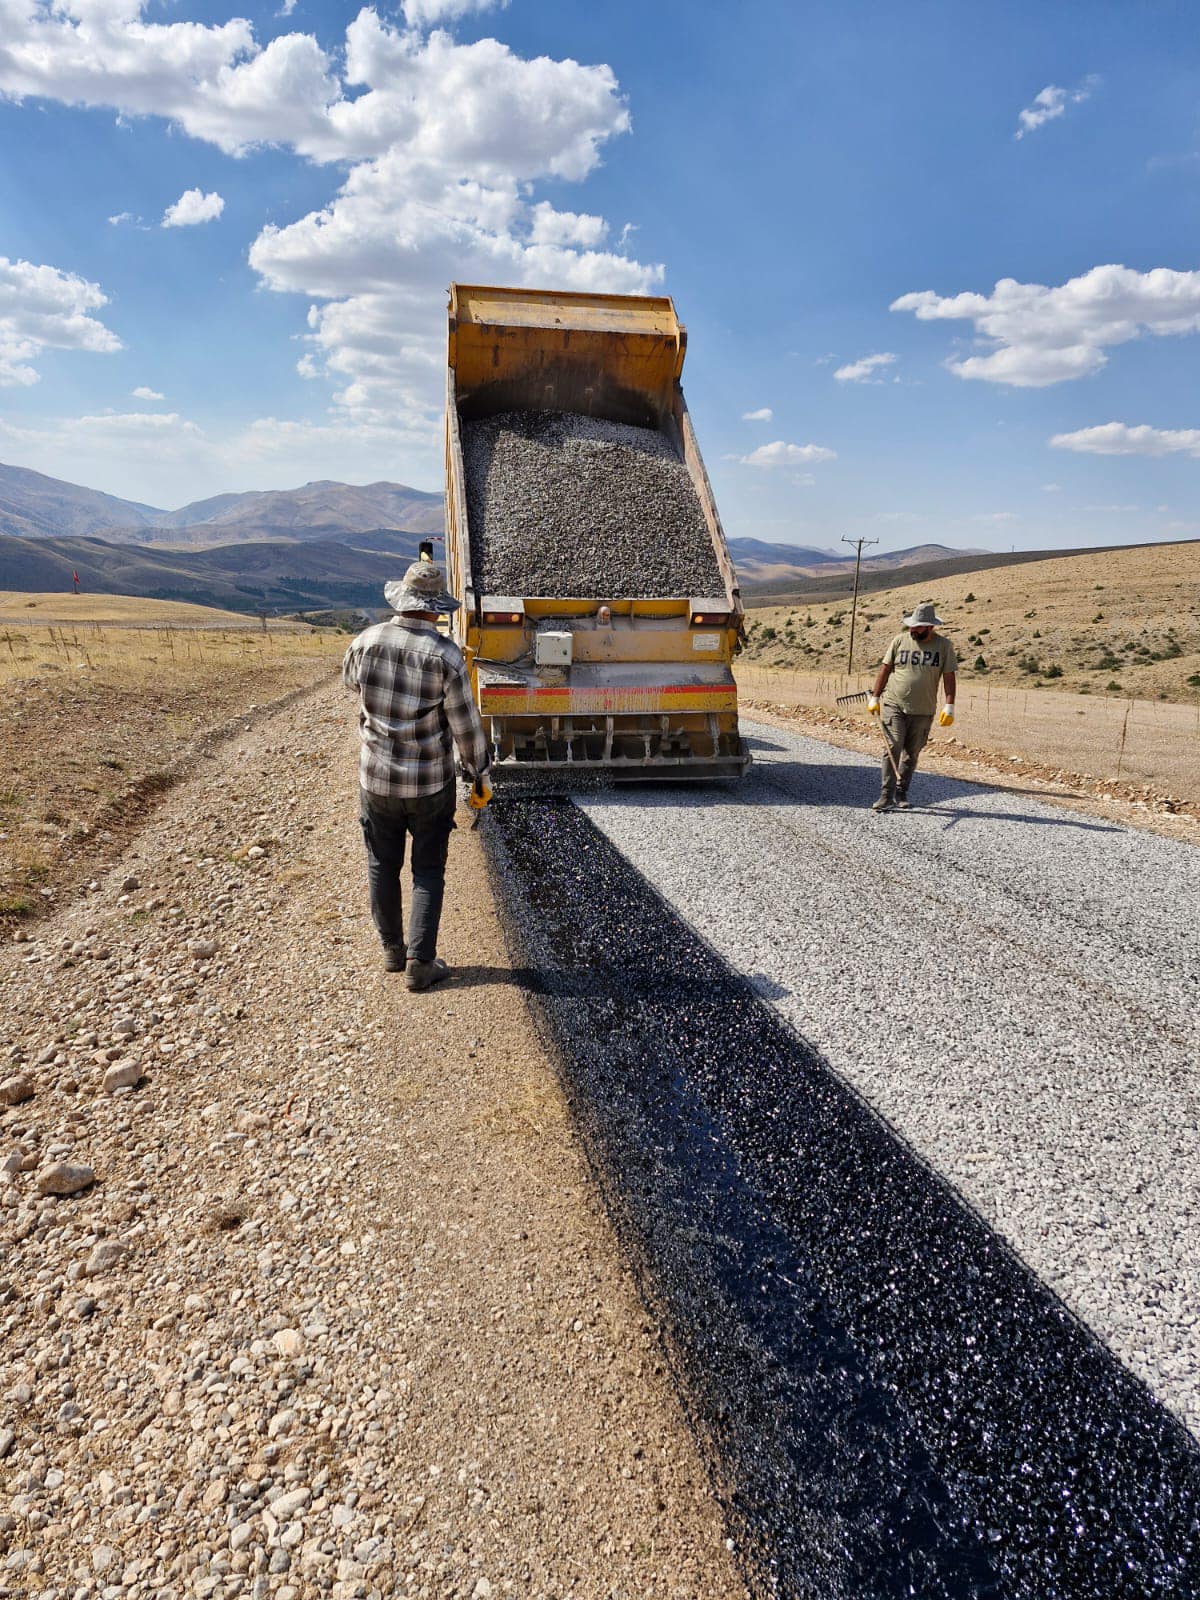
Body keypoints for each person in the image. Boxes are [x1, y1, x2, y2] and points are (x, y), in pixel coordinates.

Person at [342, 562, 492, 990]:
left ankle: (392, 951)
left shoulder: (365, 642)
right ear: (435, 610)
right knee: (427, 869)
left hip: (376, 780)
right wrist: (479, 772)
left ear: (402, 602)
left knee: (381, 864)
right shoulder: (447, 656)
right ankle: (419, 962)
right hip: (429, 784)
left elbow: (352, 687)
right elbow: (465, 726)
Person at [867, 601, 956, 812]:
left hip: (924, 709)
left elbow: (949, 677)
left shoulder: (944, 646)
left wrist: (949, 705)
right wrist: (876, 697)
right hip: (894, 704)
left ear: (930, 627)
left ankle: (901, 793)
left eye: (918, 626)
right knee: (893, 745)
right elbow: (885, 669)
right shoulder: (899, 641)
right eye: (912, 626)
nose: (913, 629)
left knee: (911, 753)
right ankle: (885, 796)